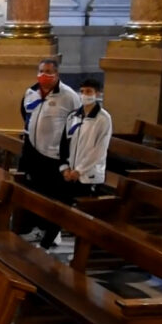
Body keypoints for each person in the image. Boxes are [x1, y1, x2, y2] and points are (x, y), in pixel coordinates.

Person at [38, 78, 112, 250]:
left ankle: (83, 252)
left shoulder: (103, 119)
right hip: (69, 173)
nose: (85, 95)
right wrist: (65, 168)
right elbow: (64, 143)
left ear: (97, 94)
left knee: (85, 218)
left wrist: (80, 170)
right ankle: (45, 245)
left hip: (88, 175)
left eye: (89, 92)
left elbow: (99, 150)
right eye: (83, 91)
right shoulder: (74, 116)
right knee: (58, 209)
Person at [18, 58, 82, 239]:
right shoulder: (31, 92)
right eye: (41, 71)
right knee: (32, 188)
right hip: (32, 149)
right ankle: (32, 226)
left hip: (54, 152)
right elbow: (25, 113)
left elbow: (76, 124)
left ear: (57, 74)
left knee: (51, 192)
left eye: (48, 72)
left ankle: (50, 231)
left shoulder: (68, 96)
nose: (43, 75)